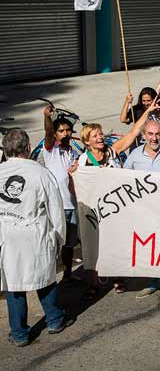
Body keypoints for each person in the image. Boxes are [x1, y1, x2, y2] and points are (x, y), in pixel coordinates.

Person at [75, 101, 159, 298]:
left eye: (100, 134)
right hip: (94, 211)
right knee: (93, 246)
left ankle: (117, 277)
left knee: (115, 242)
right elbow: (77, 188)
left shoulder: (111, 152)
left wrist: (146, 111)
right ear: (87, 141)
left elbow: (132, 134)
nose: (100, 137)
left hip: (115, 208)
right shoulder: (82, 161)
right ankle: (93, 283)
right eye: (95, 135)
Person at [1, 129, 68, 347]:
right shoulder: (40, 173)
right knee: (45, 278)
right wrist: (60, 238)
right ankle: (55, 320)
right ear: (28, 148)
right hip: (35, 234)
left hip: (7, 237)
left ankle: (19, 333)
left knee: (13, 283)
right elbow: (55, 209)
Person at [124, 121, 160, 300]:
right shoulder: (134, 155)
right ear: (143, 135)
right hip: (145, 211)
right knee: (149, 246)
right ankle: (153, 281)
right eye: (150, 134)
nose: (154, 138)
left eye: (157, 134)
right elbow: (123, 178)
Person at [42, 105, 79, 281]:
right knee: (55, 245)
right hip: (58, 206)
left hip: (73, 205)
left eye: (68, 130)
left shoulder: (72, 151)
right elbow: (48, 134)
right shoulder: (51, 150)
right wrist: (47, 117)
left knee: (69, 245)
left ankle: (68, 275)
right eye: (61, 131)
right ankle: (48, 279)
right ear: (56, 134)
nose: (65, 133)